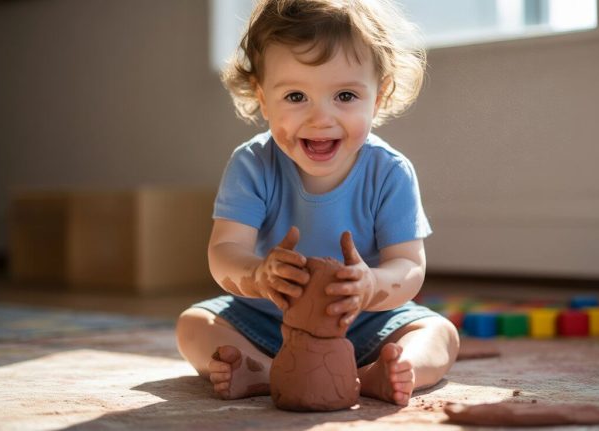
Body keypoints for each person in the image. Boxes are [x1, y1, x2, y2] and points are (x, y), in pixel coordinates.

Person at [176, 0, 459, 407]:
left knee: (439, 335)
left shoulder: (390, 171)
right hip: (266, 322)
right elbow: (224, 252)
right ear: (262, 97)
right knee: (194, 325)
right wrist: (258, 275)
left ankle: (374, 374)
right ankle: (266, 371)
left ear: (378, 98)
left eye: (345, 95)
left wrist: (371, 285)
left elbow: (410, 266)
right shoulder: (252, 164)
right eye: (295, 96)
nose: (320, 118)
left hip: (363, 323)